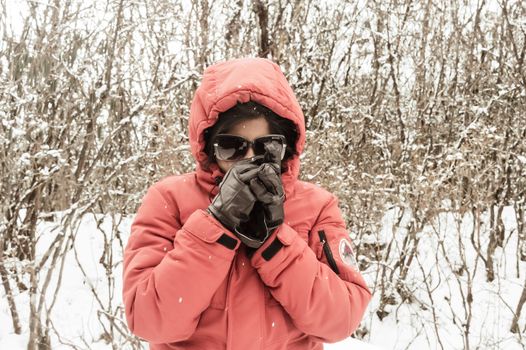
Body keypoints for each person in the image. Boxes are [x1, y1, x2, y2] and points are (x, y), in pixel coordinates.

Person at [122, 57, 371, 350]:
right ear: (209, 148)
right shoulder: (169, 200)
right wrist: (216, 225)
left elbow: (341, 320)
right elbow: (149, 318)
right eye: (232, 146)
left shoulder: (317, 206)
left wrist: (275, 243)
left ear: (286, 148)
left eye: (268, 147)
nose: (250, 159)